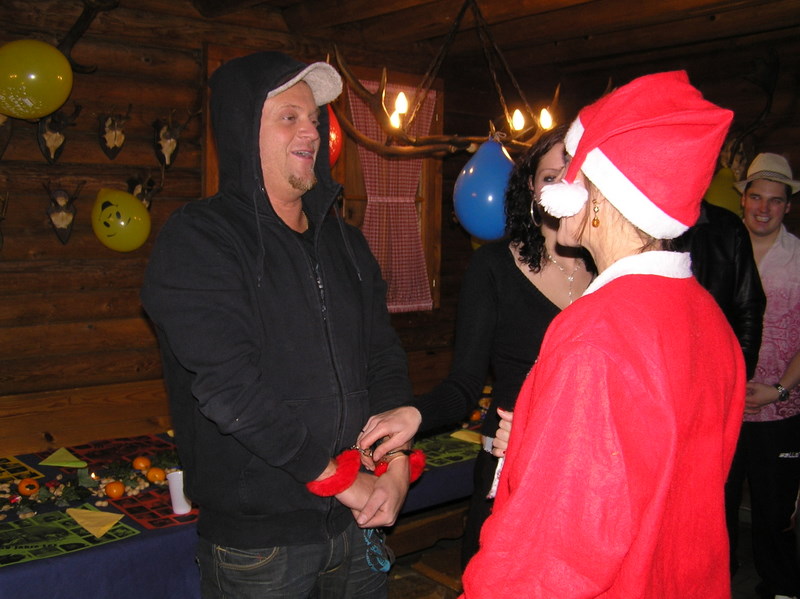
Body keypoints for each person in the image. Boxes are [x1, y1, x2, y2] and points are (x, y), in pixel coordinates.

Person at [141, 51, 418, 599]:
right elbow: (231, 391)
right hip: (261, 549)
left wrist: (396, 463)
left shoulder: (346, 242)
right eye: (289, 117)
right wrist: (341, 481)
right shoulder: (200, 239)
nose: (311, 131)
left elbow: (382, 357)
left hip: (357, 526)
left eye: (314, 118)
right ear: (243, 131)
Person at [460, 71, 744, 598]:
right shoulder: (709, 318)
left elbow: (555, 551)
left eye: (573, 166)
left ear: (600, 194)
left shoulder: (596, 332)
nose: (560, 184)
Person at [358, 126, 594, 567]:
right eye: (550, 178)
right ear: (530, 188)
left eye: (574, 176)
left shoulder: (613, 272)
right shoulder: (494, 266)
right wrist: (414, 414)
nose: (563, 189)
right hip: (508, 469)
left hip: (588, 474)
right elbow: (465, 384)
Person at [726, 152, 800, 599]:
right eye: (756, 197)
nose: (764, 208)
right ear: (743, 199)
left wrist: (779, 390)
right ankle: (716, 583)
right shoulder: (720, 249)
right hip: (722, 409)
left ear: (787, 206)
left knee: (774, 513)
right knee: (716, 508)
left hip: (780, 411)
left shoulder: (799, 258)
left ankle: (782, 589)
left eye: (775, 200)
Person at [674, 199, 765, 379]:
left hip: (713, 365)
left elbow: (748, 304)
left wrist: (741, 372)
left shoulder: (727, 226)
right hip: (660, 364)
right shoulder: (643, 223)